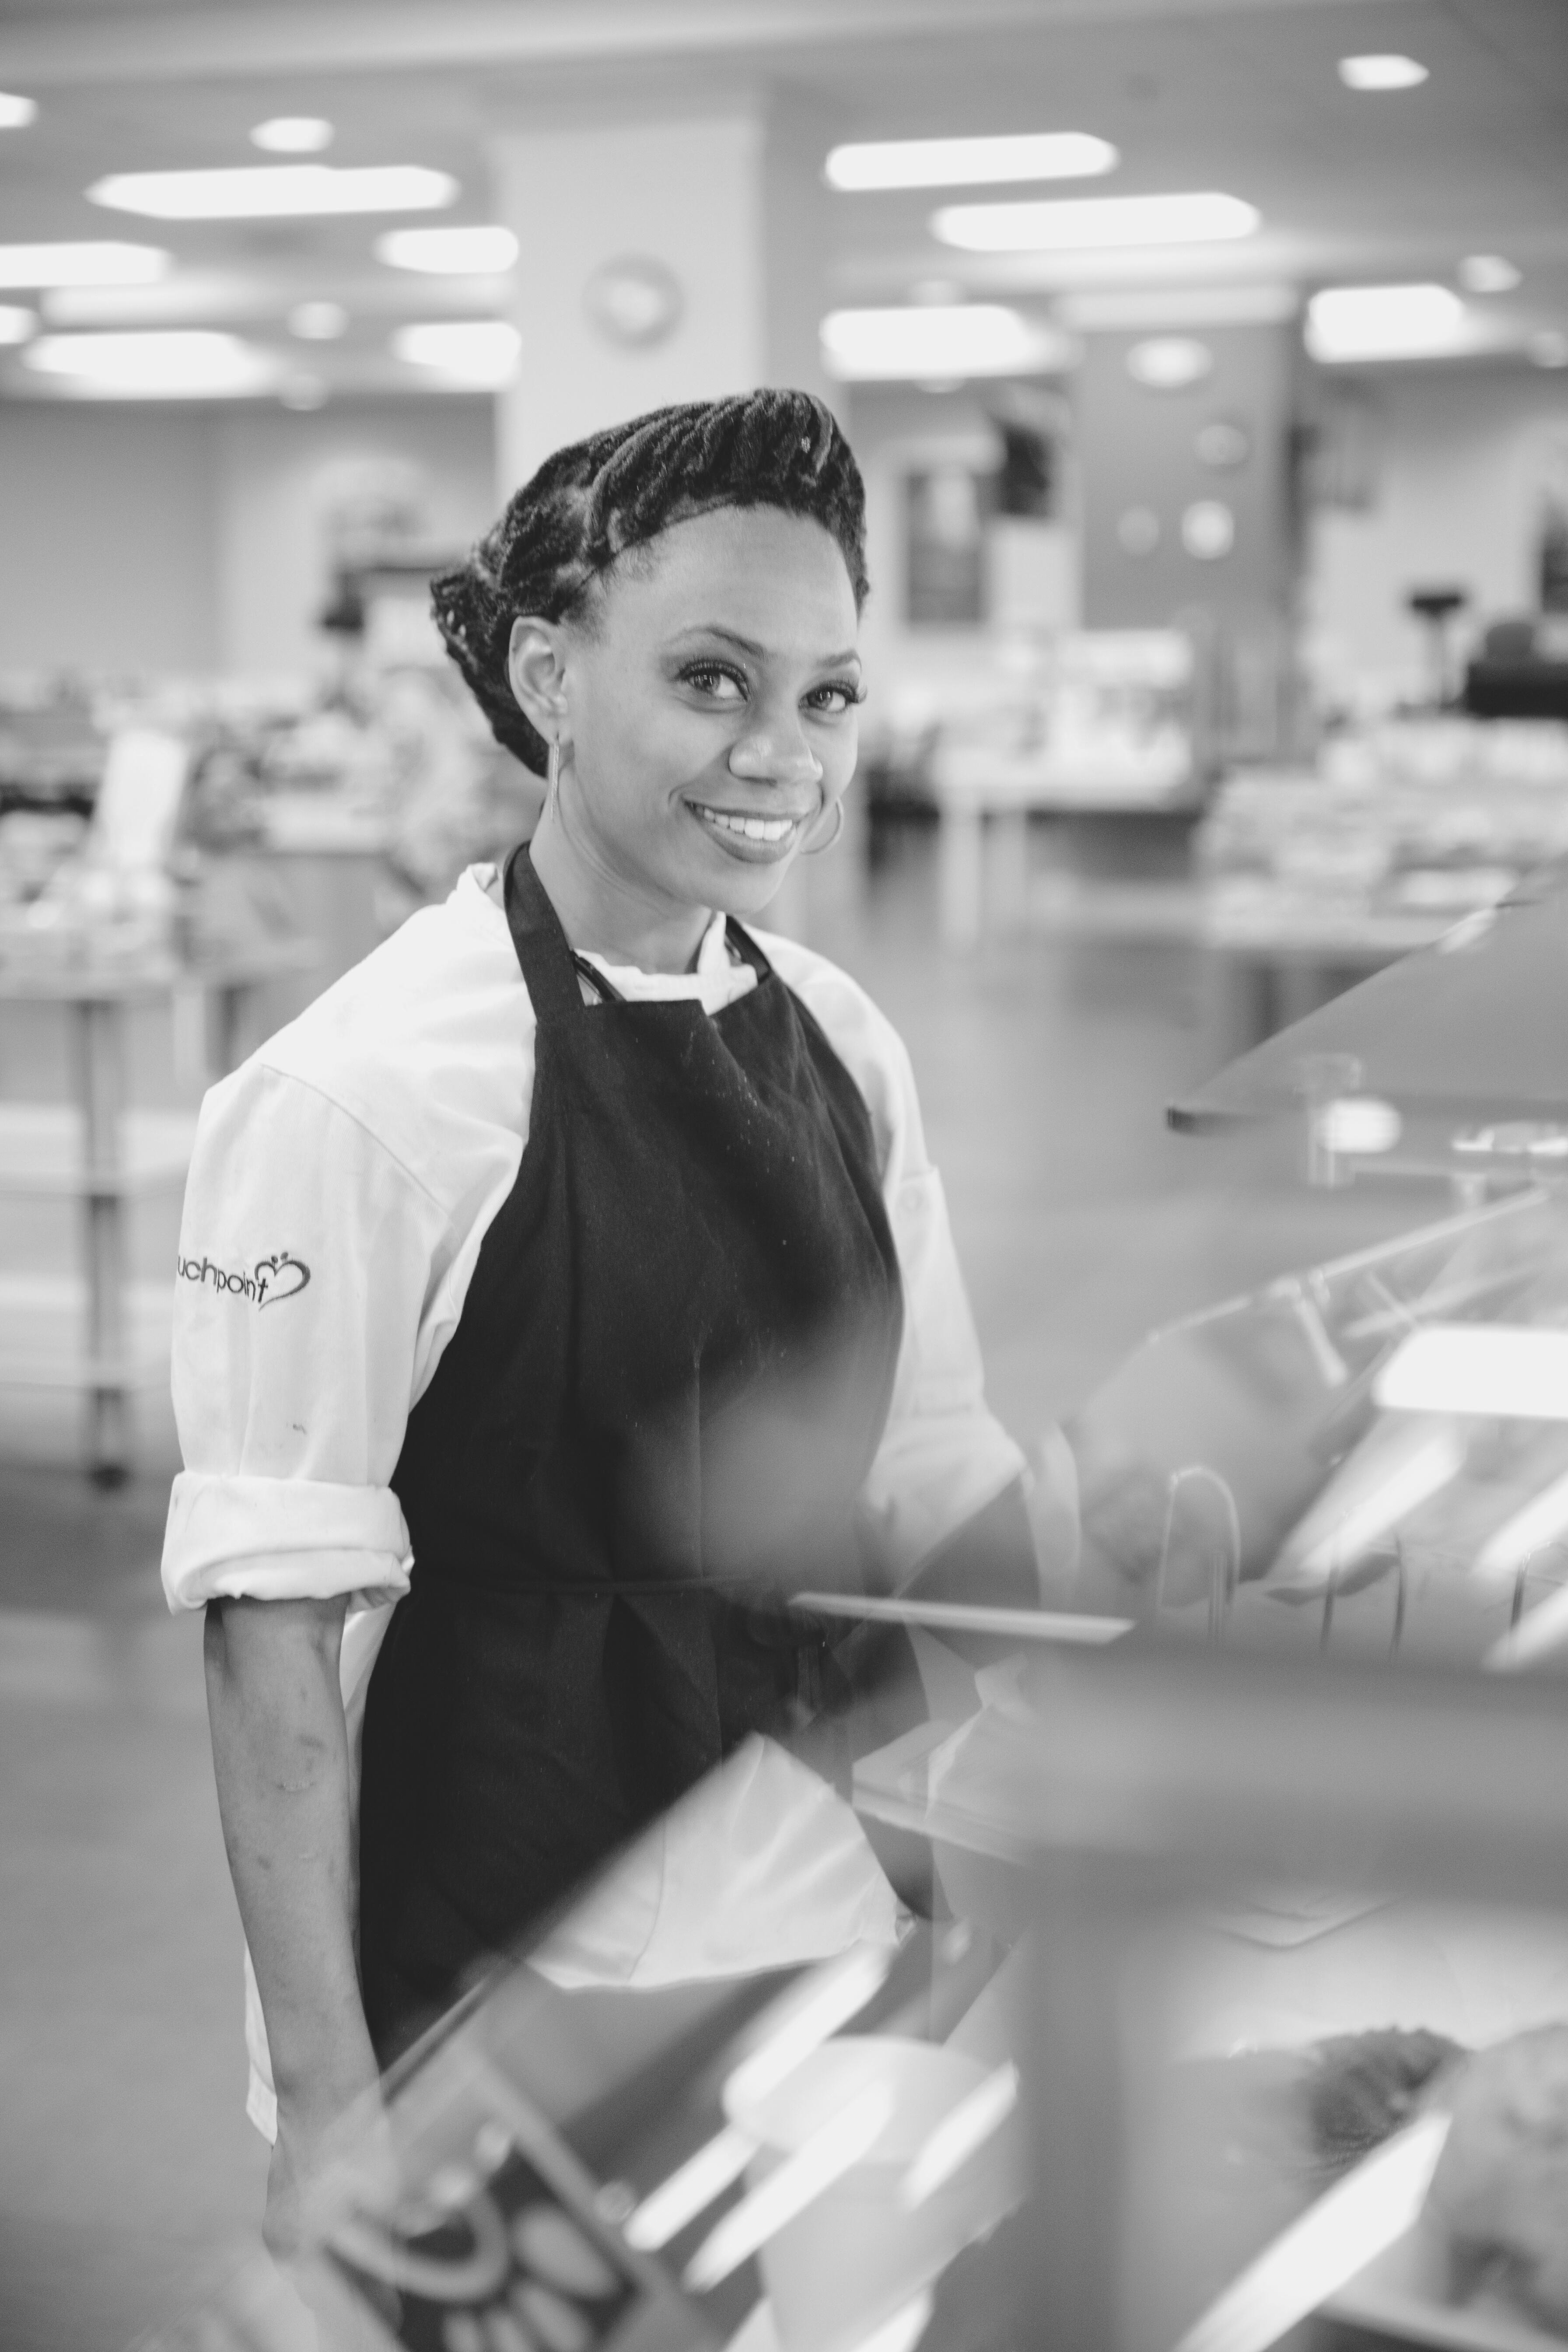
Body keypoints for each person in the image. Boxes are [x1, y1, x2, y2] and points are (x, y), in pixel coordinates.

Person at [161, 391, 1055, 2249]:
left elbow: (934, 1458)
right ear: (549, 676)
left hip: (829, 1887)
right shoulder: (366, 1095)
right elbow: (274, 1636)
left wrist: (1082, 1745)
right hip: (506, 1930)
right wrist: (328, 2108)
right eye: (713, 680)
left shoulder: (838, 1039)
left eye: (826, 695)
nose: (781, 755)